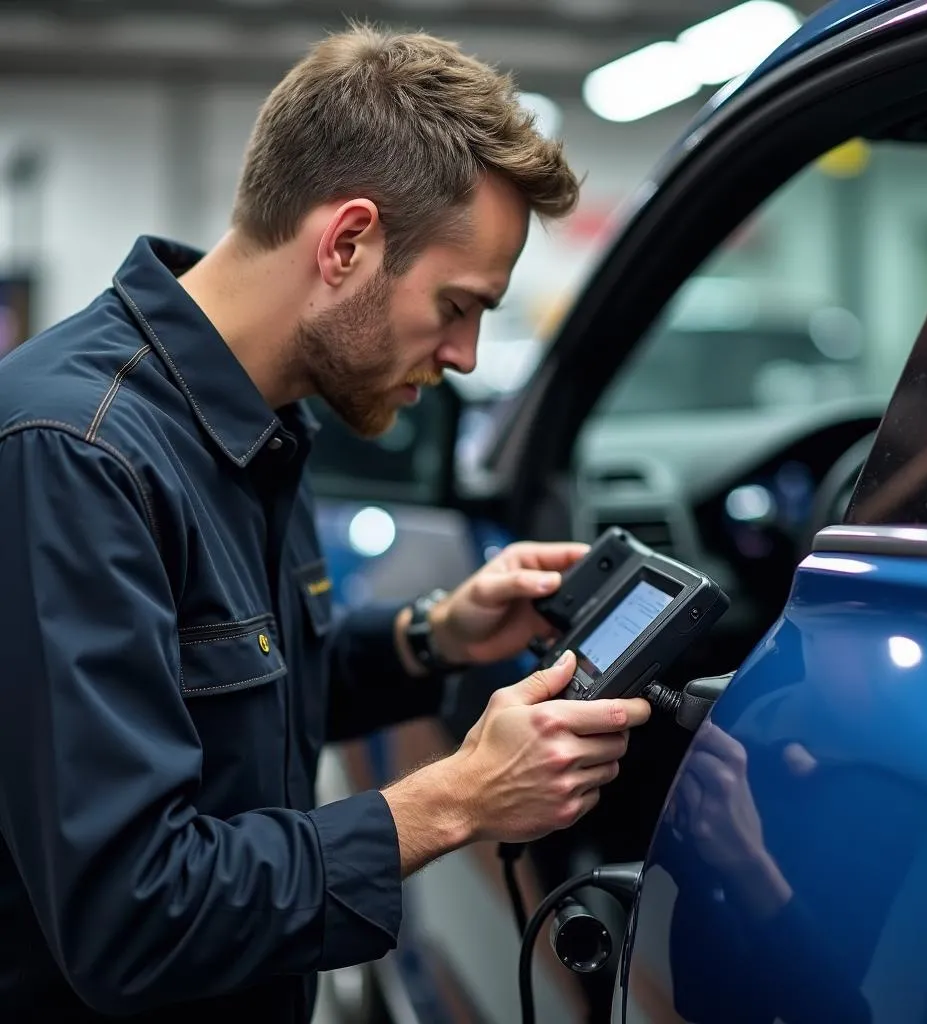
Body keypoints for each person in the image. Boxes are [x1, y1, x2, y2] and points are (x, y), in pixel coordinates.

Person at [0, 25, 650, 1023]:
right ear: (346, 243)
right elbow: (133, 911)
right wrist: (457, 798)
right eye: (456, 305)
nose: (468, 356)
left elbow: (235, 701)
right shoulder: (76, 452)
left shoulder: (266, 418)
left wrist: (432, 635)